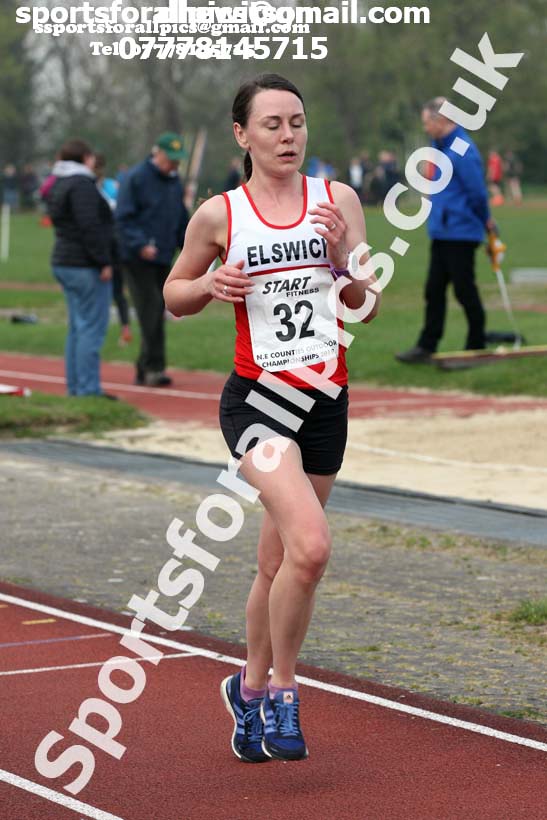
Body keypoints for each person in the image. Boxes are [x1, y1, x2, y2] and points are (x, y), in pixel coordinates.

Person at [164, 73, 380, 763]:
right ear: (241, 135)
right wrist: (207, 283)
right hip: (258, 403)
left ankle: (246, 688)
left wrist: (346, 256)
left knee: (278, 561)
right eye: (272, 125)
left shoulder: (336, 200)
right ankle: (283, 690)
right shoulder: (219, 215)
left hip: (324, 400)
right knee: (311, 547)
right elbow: (174, 295)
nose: (288, 136)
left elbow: (365, 307)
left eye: (296, 122)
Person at [396, 97, 492, 363]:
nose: (426, 128)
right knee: (434, 290)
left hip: (460, 232)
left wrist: (486, 221)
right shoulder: (441, 147)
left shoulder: (462, 149)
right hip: (443, 232)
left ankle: (477, 344)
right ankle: (427, 346)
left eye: (428, 122)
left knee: (464, 290)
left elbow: (477, 193)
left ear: (442, 120)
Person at [116, 133, 189, 386]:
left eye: (177, 161)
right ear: (157, 154)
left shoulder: (174, 183)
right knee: (152, 308)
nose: (174, 166)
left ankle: (145, 366)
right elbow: (123, 218)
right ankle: (152, 367)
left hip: (163, 257)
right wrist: (140, 244)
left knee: (158, 310)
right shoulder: (136, 178)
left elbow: (180, 218)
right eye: (171, 160)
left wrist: (189, 245)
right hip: (137, 258)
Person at [45, 139, 115, 397]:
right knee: (91, 329)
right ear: (85, 158)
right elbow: (89, 226)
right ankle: (87, 388)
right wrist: (103, 261)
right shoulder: (82, 185)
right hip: (84, 264)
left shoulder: (59, 182)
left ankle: (76, 387)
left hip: (64, 259)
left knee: (77, 327)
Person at [94, 153, 132, 346]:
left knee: (117, 290)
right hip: (97, 246)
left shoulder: (111, 186)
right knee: (102, 292)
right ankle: (99, 330)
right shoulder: (88, 187)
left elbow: (120, 211)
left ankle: (125, 328)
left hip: (114, 246)